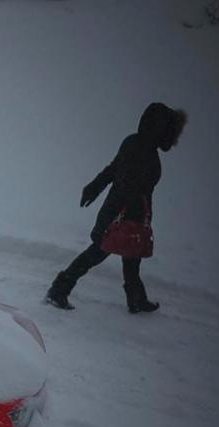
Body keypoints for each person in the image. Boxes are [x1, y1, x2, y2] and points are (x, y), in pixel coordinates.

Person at [46, 102, 187, 313]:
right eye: (171, 131)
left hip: (130, 214)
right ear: (160, 129)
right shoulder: (141, 150)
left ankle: (136, 299)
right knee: (97, 253)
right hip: (120, 215)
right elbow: (120, 177)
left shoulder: (139, 145)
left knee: (132, 258)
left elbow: (114, 171)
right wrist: (98, 190)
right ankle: (59, 290)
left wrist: (94, 188)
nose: (175, 138)